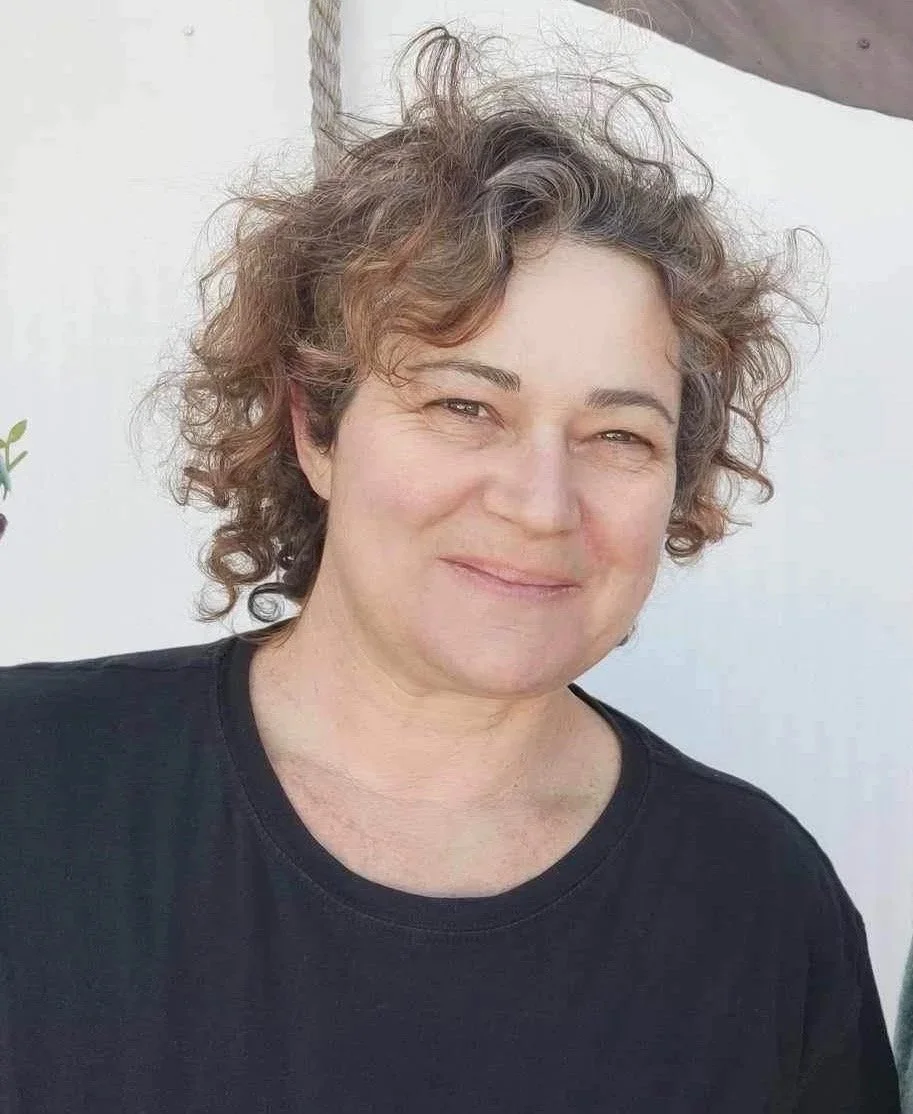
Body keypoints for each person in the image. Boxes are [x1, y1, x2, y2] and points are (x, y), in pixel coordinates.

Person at [0, 23, 901, 1113]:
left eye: (619, 435)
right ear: (315, 428)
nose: (538, 501)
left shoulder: (760, 906)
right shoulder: (33, 790)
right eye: (465, 406)